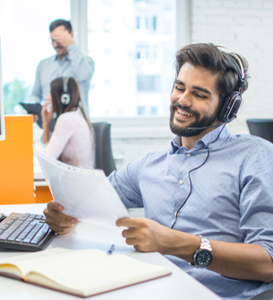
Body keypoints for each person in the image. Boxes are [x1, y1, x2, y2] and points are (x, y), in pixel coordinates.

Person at [43, 43, 273, 300]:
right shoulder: (149, 165)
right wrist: (62, 214)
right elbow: (87, 199)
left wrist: (179, 243)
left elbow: (268, 262)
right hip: (149, 290)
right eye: (179, 87)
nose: (182, 100)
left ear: (227, 107)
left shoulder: (255, 156)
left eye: (199, 94)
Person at [30, 19, 94, 116]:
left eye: (59, 39)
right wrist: (33, 110)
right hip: (50, 127)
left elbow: (84, 76)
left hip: (76, 126)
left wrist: (71, 45)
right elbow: (35, 95)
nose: (56, 44)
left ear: (71, 36)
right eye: (53, 40)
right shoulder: (43, 65)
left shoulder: (85, 62)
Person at [41, 77, 95, 169]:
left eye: (51, 93)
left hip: (77, 181)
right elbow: (48, 153)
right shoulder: (75, 115)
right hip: (78, 178)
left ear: (64, 98)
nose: (48, 97)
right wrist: (46, 124)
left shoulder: (67, 119)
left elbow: (47, 158)